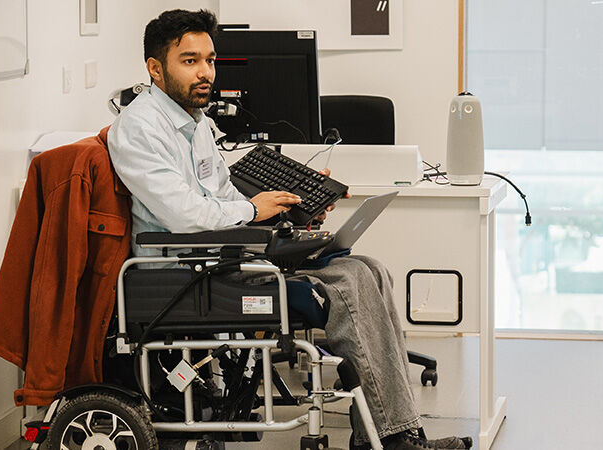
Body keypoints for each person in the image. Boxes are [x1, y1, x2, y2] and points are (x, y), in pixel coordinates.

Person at [107, 9, 471, 450]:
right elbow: (184, 215)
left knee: (371, 269)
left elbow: (219, 194)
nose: (206, 72)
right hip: (186, 273)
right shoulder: (140, 128)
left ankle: (386, 431)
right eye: (190, 61)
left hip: (221, 253)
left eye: (210, 59)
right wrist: (252, 209)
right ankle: (393, 441)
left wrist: (285, 214)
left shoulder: (196, 123)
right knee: (349, 281)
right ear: (155, 68)